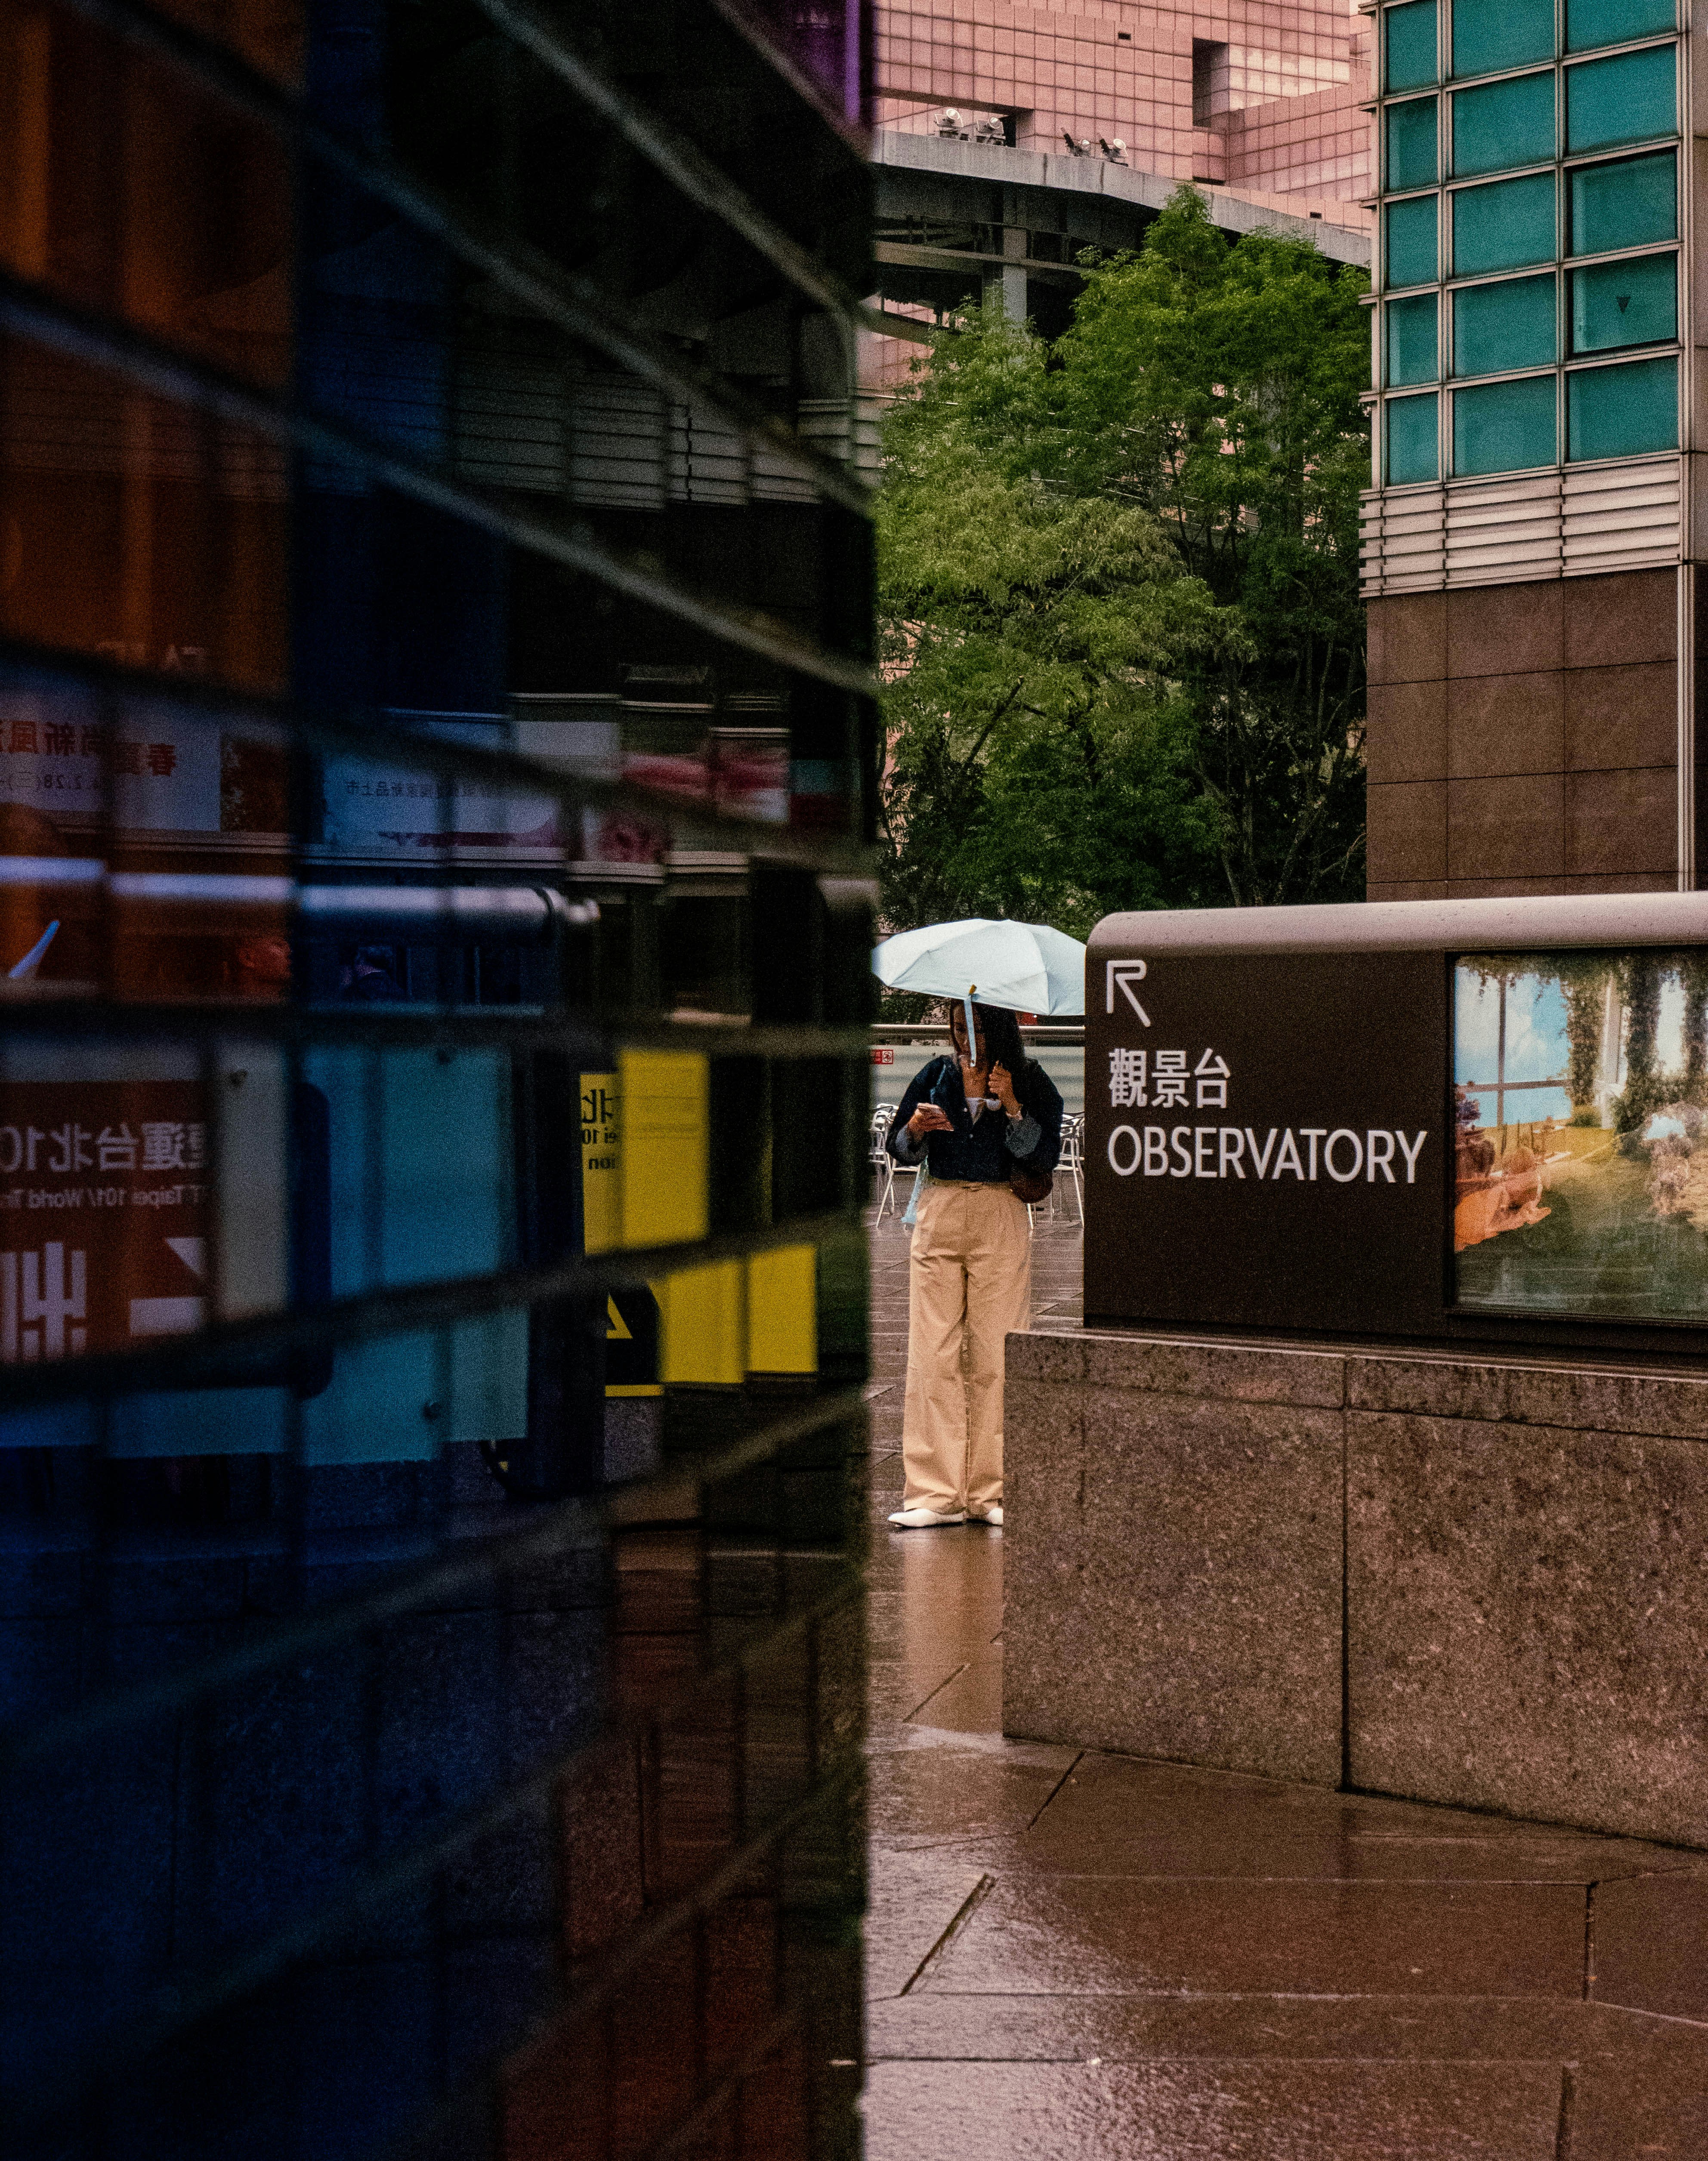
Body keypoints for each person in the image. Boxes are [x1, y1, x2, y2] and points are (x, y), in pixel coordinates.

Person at [884, 1000, 1063, 1528]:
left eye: (979, 1029)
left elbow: (1043, 1155)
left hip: (998, 1210)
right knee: (931, 1350)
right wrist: (917, 1128)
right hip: (940, 1207)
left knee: (998, 1349)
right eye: (961, 1028)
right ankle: (933, 1494)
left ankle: (994, 1491)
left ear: (1001, 1029)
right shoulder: (936, 1074)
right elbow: (900, 1148)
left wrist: (1011, 1106)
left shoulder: (1028, 1079)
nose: (968, 1040)